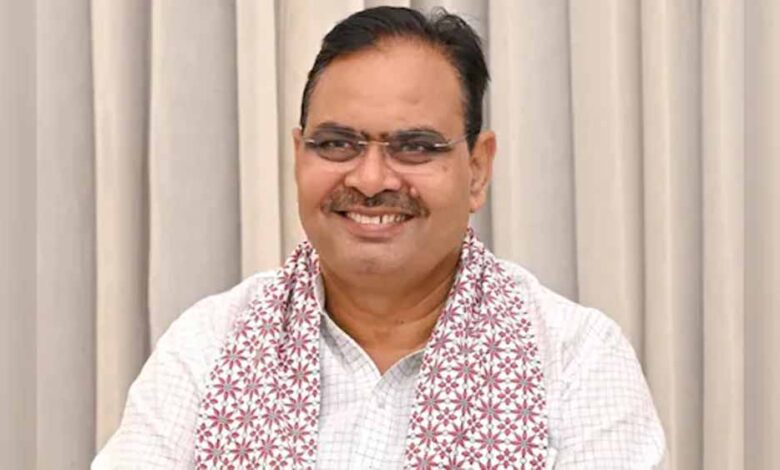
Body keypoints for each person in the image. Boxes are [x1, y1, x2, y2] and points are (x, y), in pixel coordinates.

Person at [93, 6, 664, 469]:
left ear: (478, 169)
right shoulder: (208, 346)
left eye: (415, 147)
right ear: (298, 156)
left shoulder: (576, 360)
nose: (370, 180)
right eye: (337, 144)